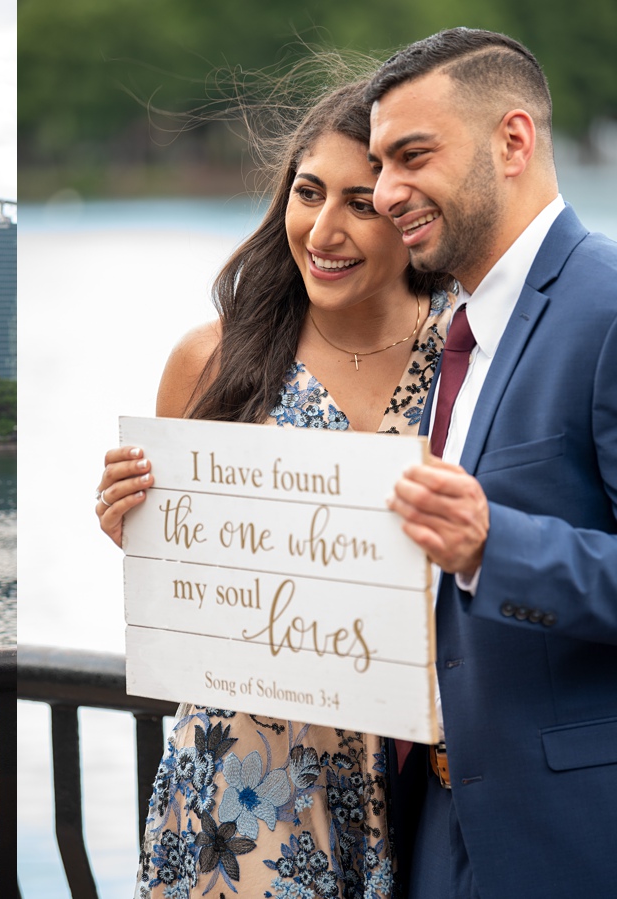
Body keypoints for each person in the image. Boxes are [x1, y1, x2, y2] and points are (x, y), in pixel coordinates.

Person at [95, 79, 453, 899]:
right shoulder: (213, 357)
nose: (323, 231)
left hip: (422, 772)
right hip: (244, 778)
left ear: (412, 210)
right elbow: (181, 576)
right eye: (307, 192)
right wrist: (133, 522)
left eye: (361, 203)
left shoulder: (468, 356)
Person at [366, 28, 617, 898]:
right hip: (435, 831)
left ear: (514, 141)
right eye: (380, 163)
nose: (386, 191)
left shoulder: (609, 304)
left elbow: (482, 541)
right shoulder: (448, 330)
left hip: (568, 843)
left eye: (413, 155)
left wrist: (491, 548)